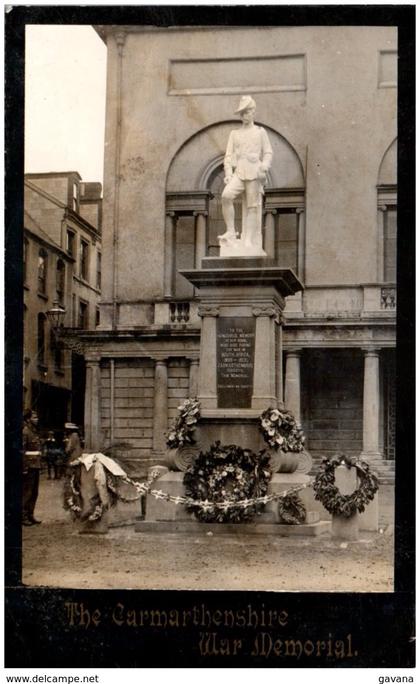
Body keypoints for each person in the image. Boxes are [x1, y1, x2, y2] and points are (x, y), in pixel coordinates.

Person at [220, 95, 273, 253]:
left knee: (252, 207)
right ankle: (231, 231)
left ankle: (248, 239)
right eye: (242, 113)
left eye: (248, 112)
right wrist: (229, 173)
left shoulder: (260, 132)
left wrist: (264, 165)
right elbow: (228, 156)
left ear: (253, 112)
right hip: (240, 171)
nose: (245, 115)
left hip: (254, 171)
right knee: (226, 196)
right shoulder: (234, 133)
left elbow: (268, 152)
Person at [22, 409, 42, 526]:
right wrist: (24, 467)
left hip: (35, 466)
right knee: (27, 492)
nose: (37, 419)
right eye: (34, 417)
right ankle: (23, 516)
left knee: (34, 492)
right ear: (28, 419)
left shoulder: (33, 431)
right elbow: (22, 451)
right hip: (29, 467)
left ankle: (30, 514)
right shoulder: (25, 432)